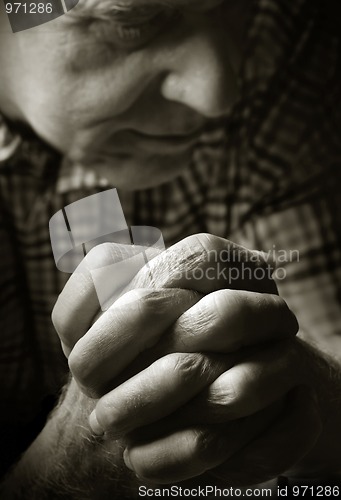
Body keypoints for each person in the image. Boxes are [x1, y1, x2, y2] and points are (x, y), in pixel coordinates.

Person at [0, 0, 341, 497]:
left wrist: (311, 396)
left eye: (235, 8)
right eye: (131, 22)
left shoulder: (277, 49)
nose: (219, 94)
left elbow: (327, 348)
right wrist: (63, 476)